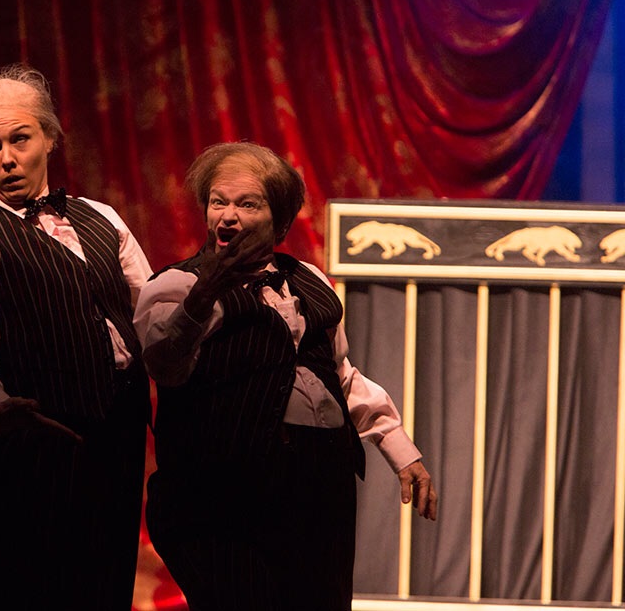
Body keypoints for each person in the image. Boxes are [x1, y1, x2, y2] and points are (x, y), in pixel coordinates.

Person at [134, 142, 437, 611]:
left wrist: (400, 451)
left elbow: (339, 374)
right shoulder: (177, 285)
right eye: (218, 202)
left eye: (246, 204)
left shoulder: (308, 279)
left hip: (319, 491)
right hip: (225, 496)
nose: (227, 217)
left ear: (279, 220)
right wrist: (205, 293)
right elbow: (164, 366)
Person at [0, 64, 152, 611]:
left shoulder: (102, 219)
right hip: (35, 446)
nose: (7, 157)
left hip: (116, 440)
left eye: (20, 139)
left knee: (106, 591)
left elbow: (151, 317)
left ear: (49, 137)